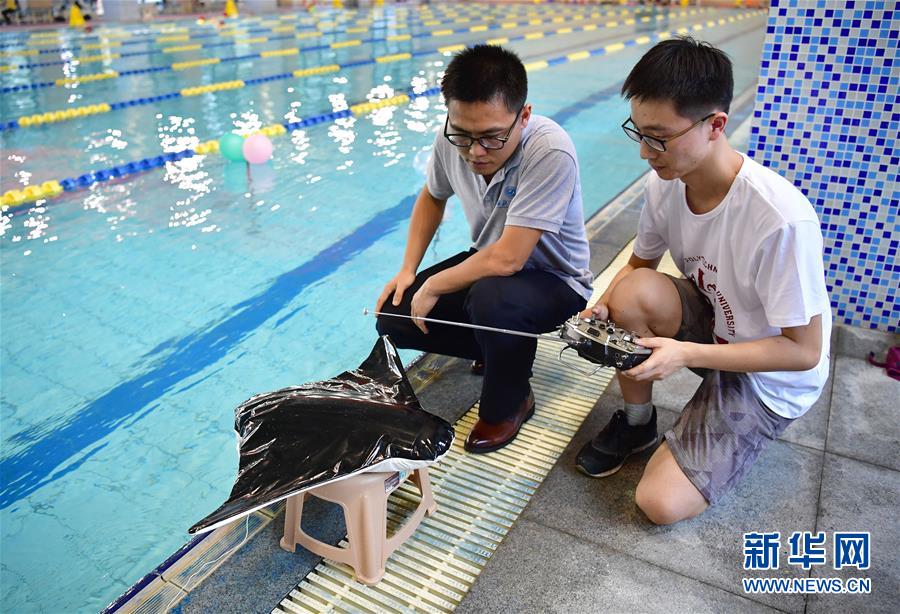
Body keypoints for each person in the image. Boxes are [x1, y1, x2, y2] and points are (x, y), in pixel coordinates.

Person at [576, 37, 831, 525]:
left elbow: (804, 351)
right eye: (639, 133)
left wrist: (686, 354)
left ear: (715, 125)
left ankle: (726, 412)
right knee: (632, 293)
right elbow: (637, 267)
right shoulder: (665, 183)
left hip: (769, 374)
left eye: (659, 138)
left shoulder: (779, 220)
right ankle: (637, 424)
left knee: (660, 504)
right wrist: (603, 309)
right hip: (716, 325)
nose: (645, 153)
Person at [375, 45, 593, 454]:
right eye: (464, 135)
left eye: (492, 137)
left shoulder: (549, 149)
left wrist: (433, 284)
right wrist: (409, 271)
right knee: (393, 316)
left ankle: (511, 401)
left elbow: (510, 258)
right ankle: (500, 347)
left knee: (494, 302)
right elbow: (432, 196)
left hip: (556, 280)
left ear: (523, 116)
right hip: (490, 266)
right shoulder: (450, 138)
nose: (475, 151)